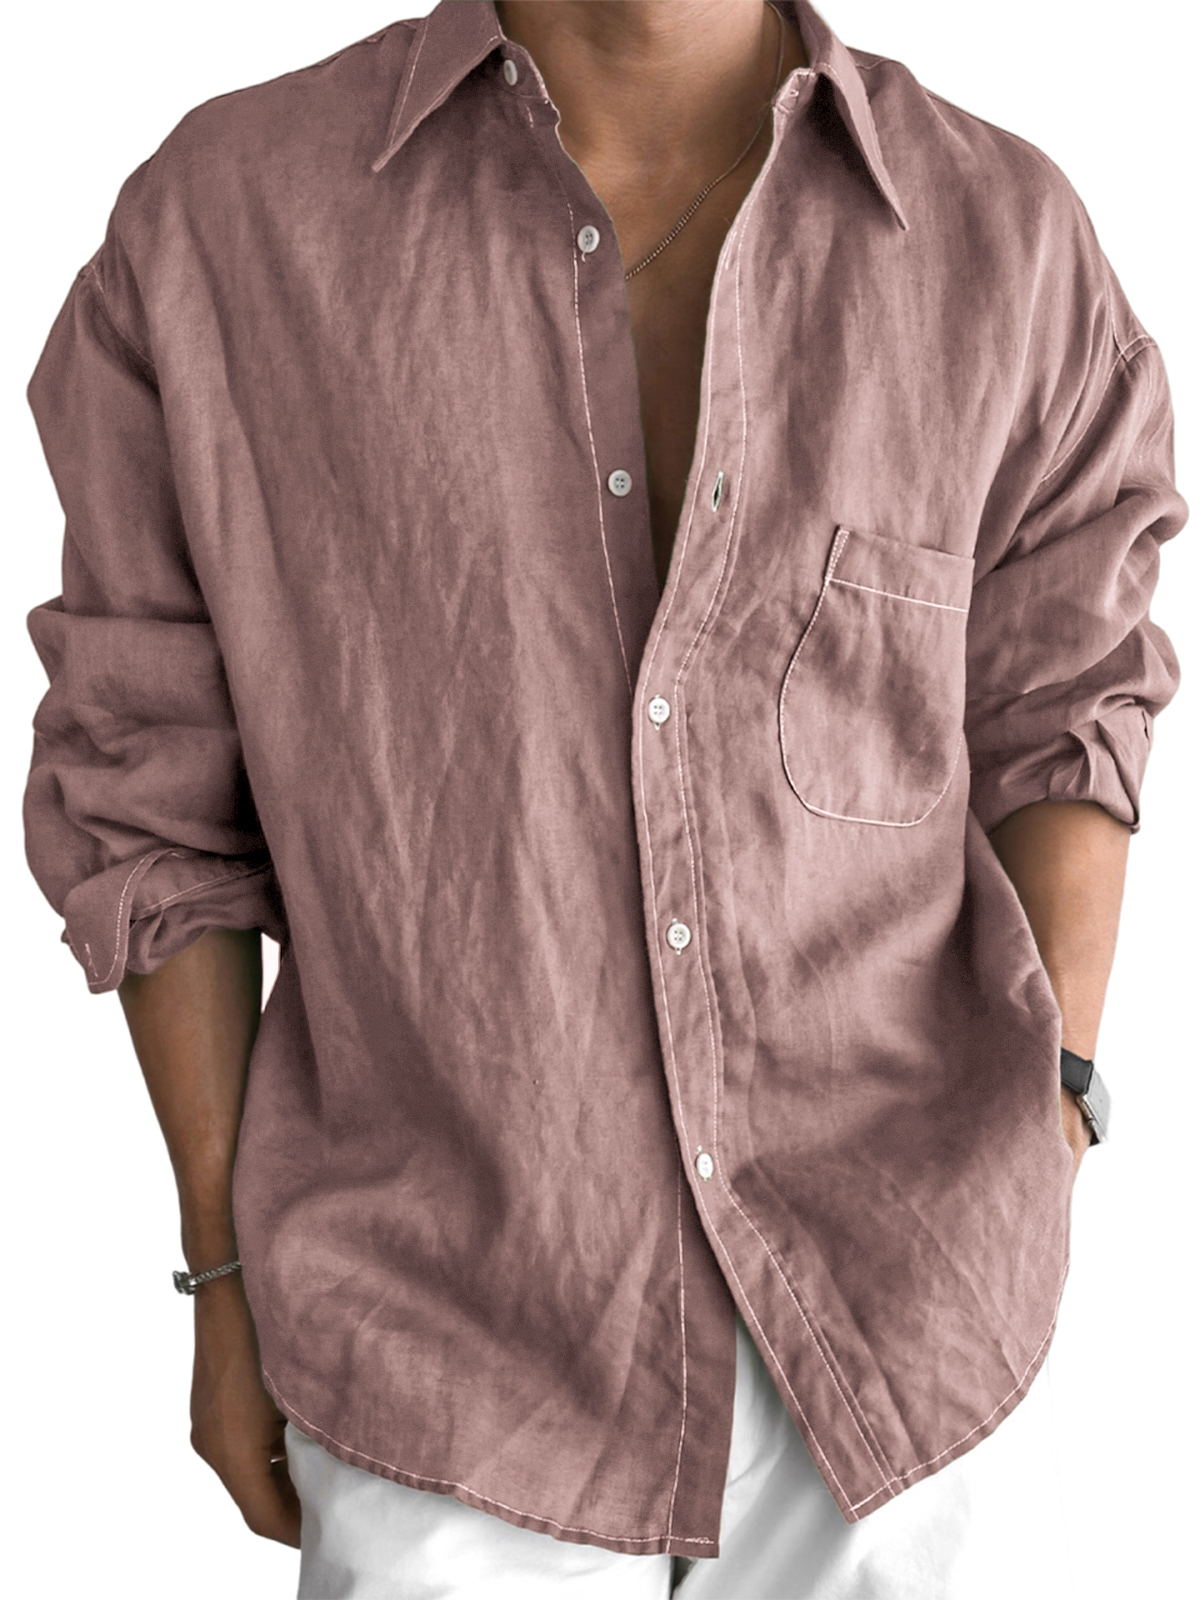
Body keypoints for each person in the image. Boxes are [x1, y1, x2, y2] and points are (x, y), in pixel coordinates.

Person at [21, 0, 1185, 1594]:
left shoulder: (1005, 239)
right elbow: (149, 791)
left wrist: (1058, 1101)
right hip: (444, 1352)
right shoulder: (227, 224)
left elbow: (1067, 708)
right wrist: (223, 1278)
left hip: (901, 1338)